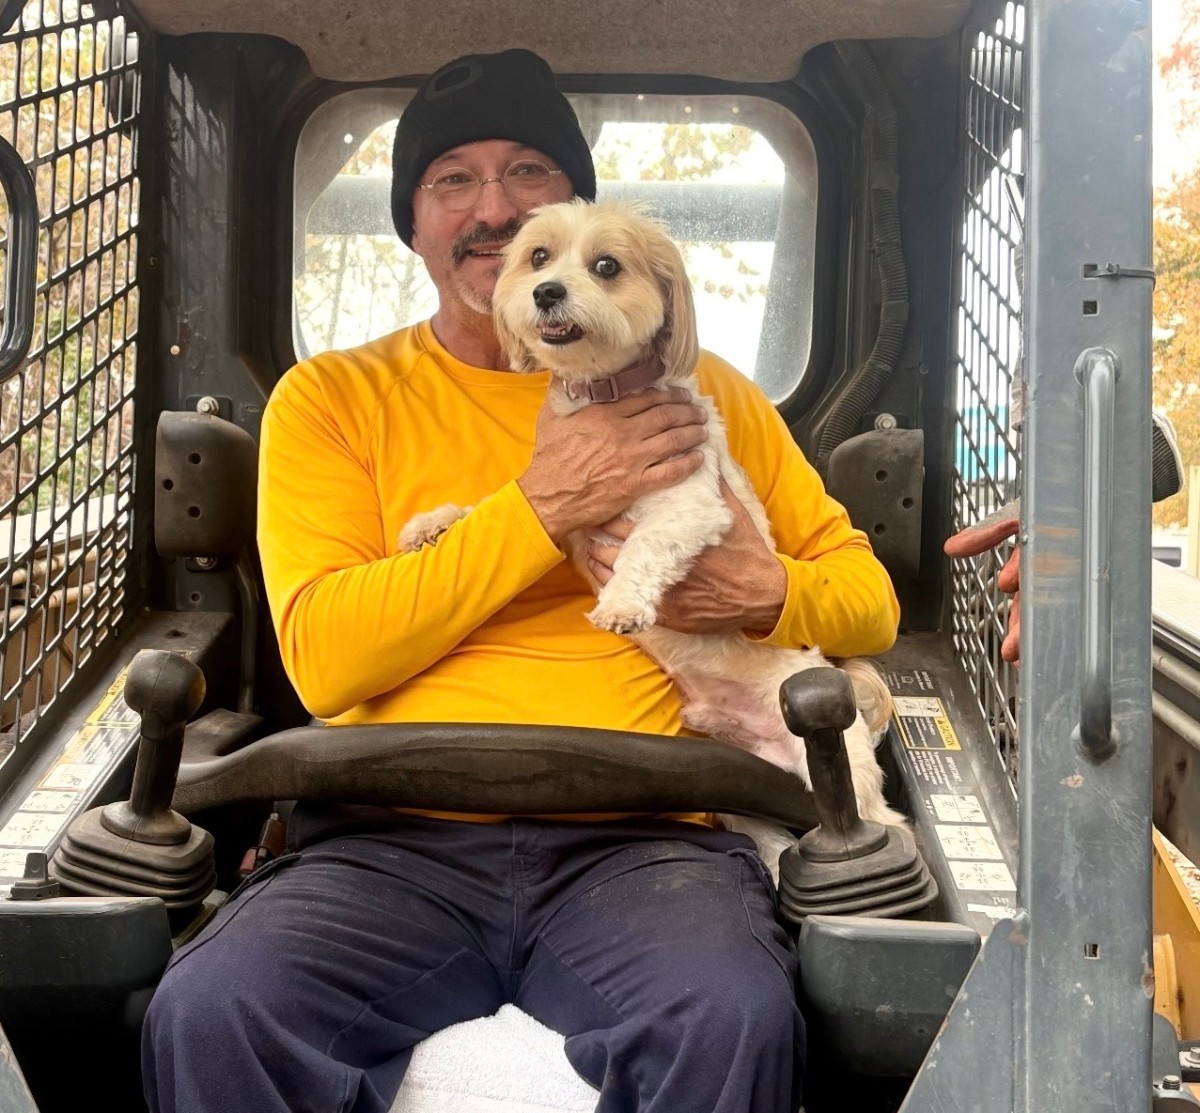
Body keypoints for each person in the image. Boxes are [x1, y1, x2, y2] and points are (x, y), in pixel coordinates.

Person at [141, 49, 900, 1113]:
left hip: (648, 837)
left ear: (580, 209)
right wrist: (545, 508)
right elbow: (324, 660)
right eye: (454, 179)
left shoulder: (703, 393)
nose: (493, 208)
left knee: (731, 1018)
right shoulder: (332, 400)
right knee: (214, 1011)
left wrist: (763, 592)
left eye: (530, 171)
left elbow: (868, 601)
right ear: (415, 224)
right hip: (386, 834)